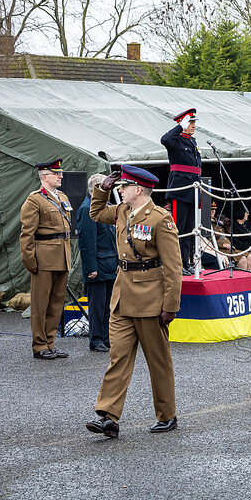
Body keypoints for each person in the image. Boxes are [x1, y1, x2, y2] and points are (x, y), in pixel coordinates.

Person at [85, 165, 183, 438]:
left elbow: (174, 268)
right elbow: (95, 213)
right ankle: (108, 416)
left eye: (123, 186)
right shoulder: (122, 212)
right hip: (122, 295)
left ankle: (167, 415)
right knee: (118, 358)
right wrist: (102, 189)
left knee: (157, 360)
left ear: (137, 190)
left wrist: (170, 306)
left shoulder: (160, 220)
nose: (120, 189)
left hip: (151, 299)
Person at [19, 158, 73, 360]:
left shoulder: (62, 197)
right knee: (41, 305)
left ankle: (50, 342)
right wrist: (30, 262)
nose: (61, 176)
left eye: (60, 173)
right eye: (56, 173)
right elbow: (27, 235)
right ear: (45, 177)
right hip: (44, 259)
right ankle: (39, 344)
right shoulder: (34, 200)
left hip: (62, 257)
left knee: (56, 303)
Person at [76, 173, 117, 352]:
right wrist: (91, 267)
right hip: (98, 265)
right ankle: (96, 339)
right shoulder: (87, 209)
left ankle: (107, 337)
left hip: (109, 263)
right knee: (97, 306)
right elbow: (87, 242)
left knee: (109, 305)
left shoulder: (104, 206)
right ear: (96, 188)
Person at [160, 108, 201, 275]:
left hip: (192, 190)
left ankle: (186, 262)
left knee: (189, 231)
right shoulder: (176, 140)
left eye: (193, 123)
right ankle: (176, 264)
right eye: (190, 123)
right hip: (180, 190)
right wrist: (179, 127)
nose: (193, 126)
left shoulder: (192, 141)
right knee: (178, 230)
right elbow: (165, 139)